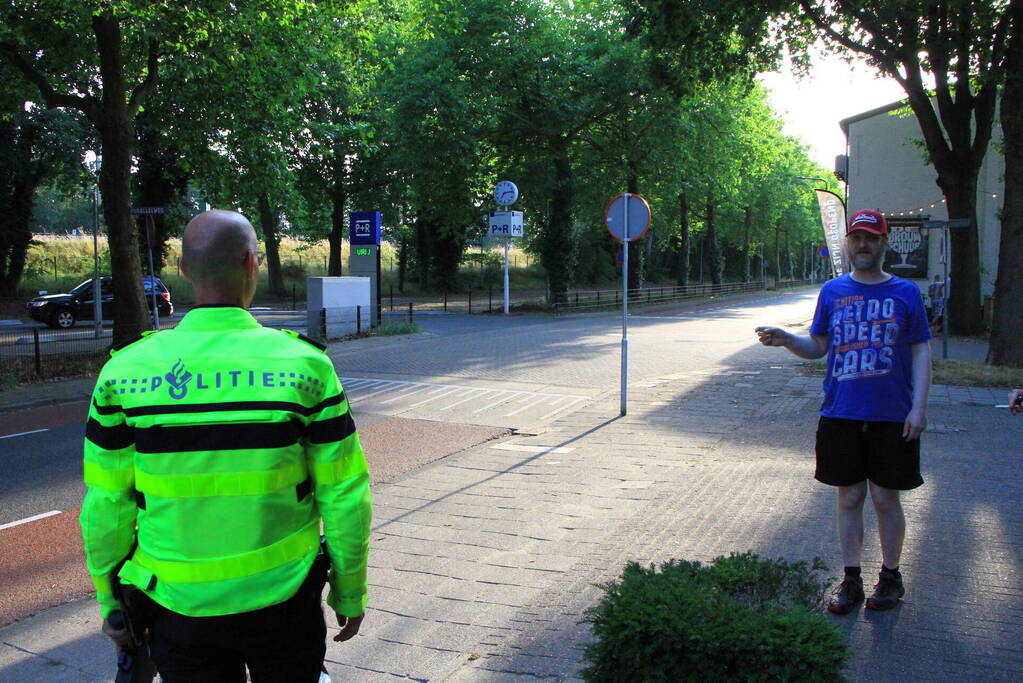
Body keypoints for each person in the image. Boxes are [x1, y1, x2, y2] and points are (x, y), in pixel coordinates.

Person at [80, 209, 371, 681]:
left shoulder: (124, 374)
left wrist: (111, 600)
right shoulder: (305, 367)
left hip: (175, 604)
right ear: (252, 264)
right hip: (284, 598)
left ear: (184, 269)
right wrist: (350, 590)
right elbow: (345, 494)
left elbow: (106, 504)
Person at [755, 208, 932, 615]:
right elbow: (818, 346)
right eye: (856, 238)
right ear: (848, 243)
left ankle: (890, 578)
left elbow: (920, 351)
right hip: (841, 413)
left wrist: (918, 407)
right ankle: (851, 579)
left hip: (892, 415)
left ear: (884, 243)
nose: (863, 244)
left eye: (871, 237)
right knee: (849, 496)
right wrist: (788, 340)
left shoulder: (906, 293)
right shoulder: (833, 291)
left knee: (886, 498)